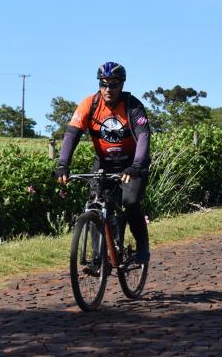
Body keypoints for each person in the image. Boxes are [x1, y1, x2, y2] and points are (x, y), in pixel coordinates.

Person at [55, 62, 152, 264]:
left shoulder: (132, 106)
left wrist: (136, 166)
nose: (108, 89)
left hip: (132, 163)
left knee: (130, 202)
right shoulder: (89, 104)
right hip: (104, 163)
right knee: (95, 204)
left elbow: (143, 137)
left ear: (122, 85)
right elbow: (71, 134)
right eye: (104, 84)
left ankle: (143, 246)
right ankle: (100, 258)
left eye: (114, 84)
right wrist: (63, 164)